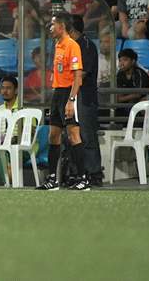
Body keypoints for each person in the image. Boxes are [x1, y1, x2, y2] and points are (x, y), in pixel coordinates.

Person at [37, 13, 89, 191]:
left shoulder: (72, 46)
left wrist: (71, 100)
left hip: (68, 93)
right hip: (57, 93)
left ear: (62, 26)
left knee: (74, 136)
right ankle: (53, 179)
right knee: (53, 135)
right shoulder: (57, 44)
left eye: (53, 25)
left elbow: (77, 77)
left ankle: (83, 178)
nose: (50, 28)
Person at [69, 15, 102, 186]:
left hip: (84, 97)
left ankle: (94, 173)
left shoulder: (86, 46)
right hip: (71, 97)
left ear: (71, 29)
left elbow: (81, 74)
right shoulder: (70, 46)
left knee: (87, 135)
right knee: (73, 136)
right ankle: (77, 173)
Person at [116, 48, 149, 117]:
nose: (121, 63)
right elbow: (119, 95)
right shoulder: (120, 74)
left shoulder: (139, 73)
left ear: (133, 61)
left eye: (125, 60)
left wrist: (120, 99)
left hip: (143, 99)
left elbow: (138, 94)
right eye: (120, 60)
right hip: (129, 101)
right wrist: (119, 99)